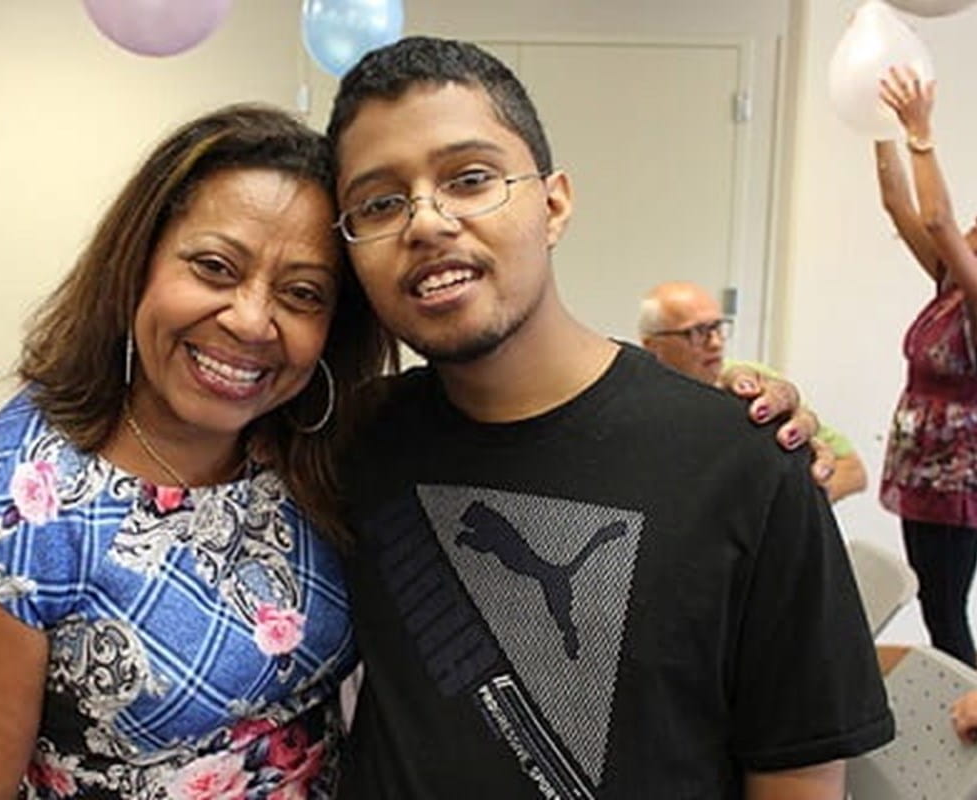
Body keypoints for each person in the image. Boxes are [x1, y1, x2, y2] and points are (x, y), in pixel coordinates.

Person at [326, 35, 893, 799]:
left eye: (469, 178)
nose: (425, 221)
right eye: (380, 202)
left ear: (554, 204)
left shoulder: (744, 463)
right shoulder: (346, 446)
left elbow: (798, 769)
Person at [0, 105, 390, 797]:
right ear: (138, 262)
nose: (253, 320)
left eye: (302, 293)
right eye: (215, 268)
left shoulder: (311, 448)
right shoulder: (24, 490)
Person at [876, 65, 977, 668]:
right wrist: (875, 122)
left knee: (944, 612)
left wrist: (920, 131)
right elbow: (897, 202)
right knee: (941, 607)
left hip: (954, 482)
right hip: (922, 474)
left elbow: (937, 220)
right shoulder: (948, 288)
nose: (966, 229)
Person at [639, 280, 868, 503]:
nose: (716, 342)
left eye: (718, 327)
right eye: (697, 332)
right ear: (652, 345)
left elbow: (853, 471)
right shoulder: (632, 398)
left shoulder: (759, 387)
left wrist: (799, 507)